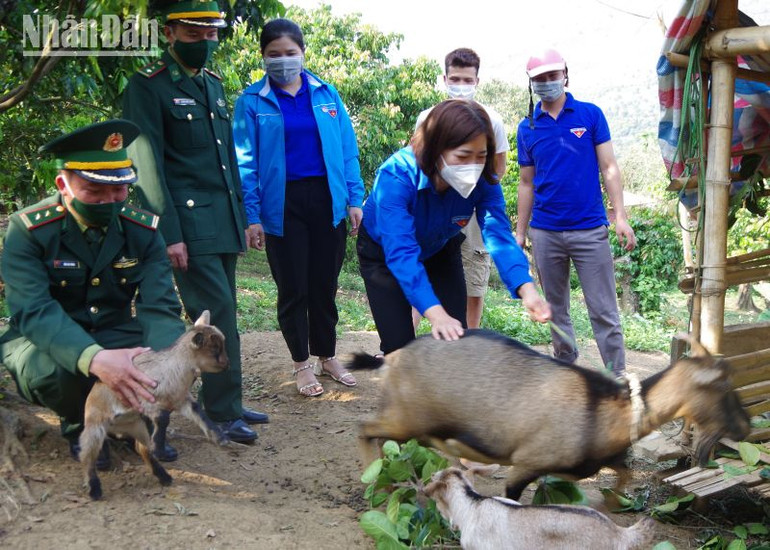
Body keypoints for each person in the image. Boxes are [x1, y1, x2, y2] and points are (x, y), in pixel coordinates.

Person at [0, 120, 185, 470]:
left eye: (119, 191)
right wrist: (95, 359)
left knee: (160, 363)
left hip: (115, 330)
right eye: (94, 191)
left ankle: (127, 422)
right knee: (63, 373)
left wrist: (164, 362)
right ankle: (80, 424)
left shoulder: (142, 230)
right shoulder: (29, 230)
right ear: (62, 184)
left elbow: (160, 306)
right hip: (43, 337)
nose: (109, 201)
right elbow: (34, 310)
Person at [122, 1, 267, 443]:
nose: (205, 42)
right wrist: (169, 234)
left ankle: (228, 400)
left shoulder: (213, 85)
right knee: (214, 314)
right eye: (193, 34)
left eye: (211, 34)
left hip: (220, 221)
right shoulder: (148, 88)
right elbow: (147, 166)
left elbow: (225, 163)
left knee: (227, 313)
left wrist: (241, 218)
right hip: (187, 224)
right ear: (169, 34)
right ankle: (221, 413)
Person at [233, 18, 365, 398]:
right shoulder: (251, 102)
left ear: (303, 52)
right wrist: (252, 215)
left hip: (327, 201)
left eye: (290, 53)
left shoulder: (327, 95)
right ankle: (301, 364)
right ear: (263, 57)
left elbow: (347, 151)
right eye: (274, 55)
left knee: (324, 285)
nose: (284, 61)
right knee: (293, 288)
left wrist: (354, 199)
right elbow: (246, 163)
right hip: (282, 204)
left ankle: (327, 356)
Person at [358, 99, 551, 355]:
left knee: (457, 334)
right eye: (462, 155)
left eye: (481, 156)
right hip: (384, 254)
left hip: (439, 247)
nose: (473, 165)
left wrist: (526, 289)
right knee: (399, 348)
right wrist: (435, 313)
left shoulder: (483, 179)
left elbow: (498, 234)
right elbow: (401, 253)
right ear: (436, 148)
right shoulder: (396, 176)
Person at [515, 48, 636, 375]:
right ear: (531, 84)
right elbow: (526, 183)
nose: (547, 83)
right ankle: (565, 375)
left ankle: (617, 377)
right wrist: (521, 233)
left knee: (603, 311)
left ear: (565, 75)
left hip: (589, 230)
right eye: (539, 79)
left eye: (552, 76)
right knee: (556, 310)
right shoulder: (527, 128)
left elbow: (609, 167)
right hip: (545, 233)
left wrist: (620, 216)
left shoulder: (590, 115)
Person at [415, 48, 509, 329]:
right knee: (423, 271)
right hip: (436, 208)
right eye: (456, 78)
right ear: (445, 79)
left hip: (474, 207)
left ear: (477, 81)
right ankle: (400, 343)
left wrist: (473, 192)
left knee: (474, 279)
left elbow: (498, 168)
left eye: (468, 80)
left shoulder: (492, 120)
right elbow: (416, 163)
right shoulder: (427, 118)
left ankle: (471, 344)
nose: (461, 85)